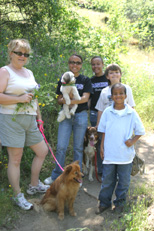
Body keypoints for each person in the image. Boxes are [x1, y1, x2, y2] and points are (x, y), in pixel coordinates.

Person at [0, 39, 49, 210]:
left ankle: (34, 185)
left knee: (42, 151)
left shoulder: (29, 73)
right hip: (12, 120)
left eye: (26, 54)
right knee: (15, 159)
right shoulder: (5, 71)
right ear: (11, 53)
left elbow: (34, 97)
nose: (22, 56)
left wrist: (39, 117)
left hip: (30, 119)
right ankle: (17, 195)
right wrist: (19, 99)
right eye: (19, 53)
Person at [95, 83, 145, 214]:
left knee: (123, 182)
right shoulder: (107, 111)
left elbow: (140, 131)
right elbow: (103, 131)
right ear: (111, 96)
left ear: (125, 96)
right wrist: (101, 147)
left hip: (125, 155)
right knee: (107, 181)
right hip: (110, 154)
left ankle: (119, 204)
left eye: (121, 93)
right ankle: (104, 203)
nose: (118, 96)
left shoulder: (131, 113)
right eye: (115, 94)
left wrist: (132, 141)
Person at [44, 54, 93, 185]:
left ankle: (77, 178)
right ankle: (56, 175)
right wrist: (66, 100)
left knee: (77, 148)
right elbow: (59, 99)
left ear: (81, 65)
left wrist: (68, 100)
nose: (74, 65)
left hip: (81, 115)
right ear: (68, 63)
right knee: (61, 147)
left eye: (77, 63)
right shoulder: (64, 78)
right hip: (66, 116)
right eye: (72, 62)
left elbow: (85, 99)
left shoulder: (85, 80)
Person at [89, 56, 108, 175]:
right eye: (93, 64)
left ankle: (110, 168)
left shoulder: (108, 78)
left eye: (98, 64)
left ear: (102, 65)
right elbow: (90, 98)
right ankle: (100, 169)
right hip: (94, 113)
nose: (95, 66)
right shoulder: (90, 81)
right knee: (97, 141)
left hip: (109, 114)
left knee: (108, 141)